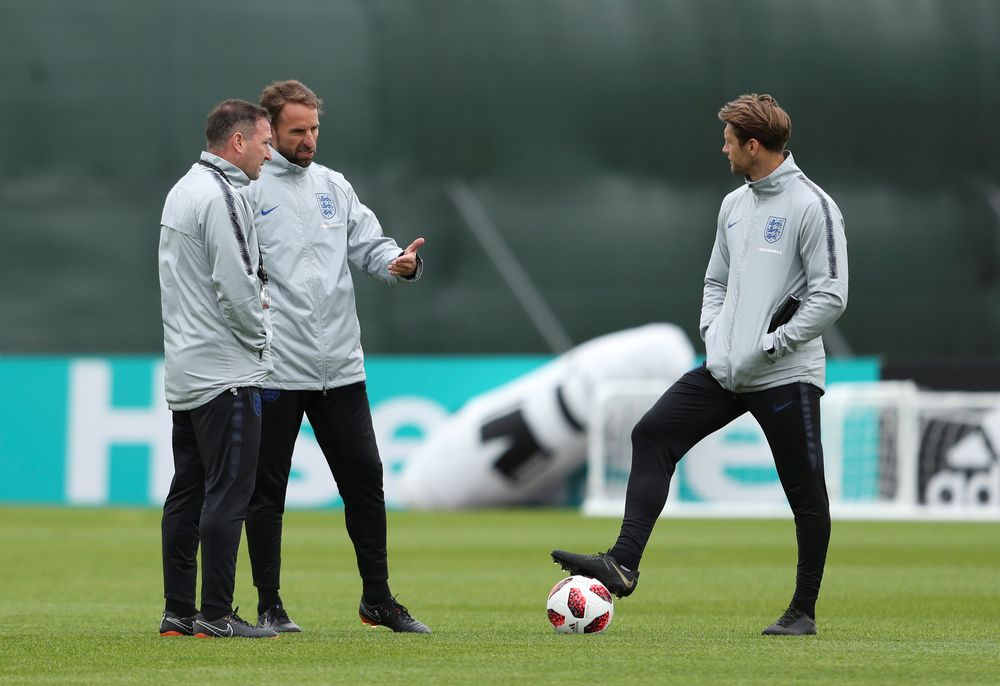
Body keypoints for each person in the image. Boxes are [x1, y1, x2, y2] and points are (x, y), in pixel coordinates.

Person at [552, 93, 849, 636]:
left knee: (806, 495)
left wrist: (775, 344)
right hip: (725, 371)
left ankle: (802, 612)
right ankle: (623, 563)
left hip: (783, 375)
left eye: (729, 141)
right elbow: (715, 283)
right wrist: (714, 334)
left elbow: (831, 295)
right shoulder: (734, 205)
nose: (723, 149)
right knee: (652, 435)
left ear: (753, 145)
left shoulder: (813, 205)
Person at [244, 79, 430, 634]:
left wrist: (399, 262)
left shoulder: (333, 185)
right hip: (276, 367)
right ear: (269, 131)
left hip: (341, 368)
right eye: (297, 131)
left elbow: (369, 247)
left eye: (314, 129)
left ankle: (378, 600)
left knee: (365, 480)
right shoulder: (250, 191)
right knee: (266, 491)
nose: (309, 141)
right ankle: (269, 606)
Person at [158, 99, 278, 639]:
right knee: (230, 493)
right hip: (225, 371)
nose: (269, 152)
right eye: (265, 141)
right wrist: (261, 343)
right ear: (237, 142)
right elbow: (235, 286)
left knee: (187, 490)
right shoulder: (221, 194)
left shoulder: (183, 190)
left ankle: (178, 612)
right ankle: (217, 615)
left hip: (186, 367)